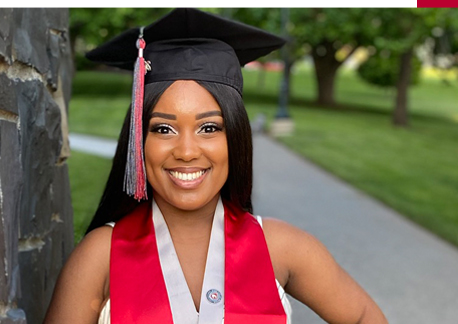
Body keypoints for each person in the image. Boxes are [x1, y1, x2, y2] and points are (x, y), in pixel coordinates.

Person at [44, 8, 387, 324]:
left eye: (210, 128)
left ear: (234, 137)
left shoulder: (282, 249)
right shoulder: (101, 256)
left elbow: (363, 317)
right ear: (138, 141)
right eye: (163, 129)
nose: (187, 151)